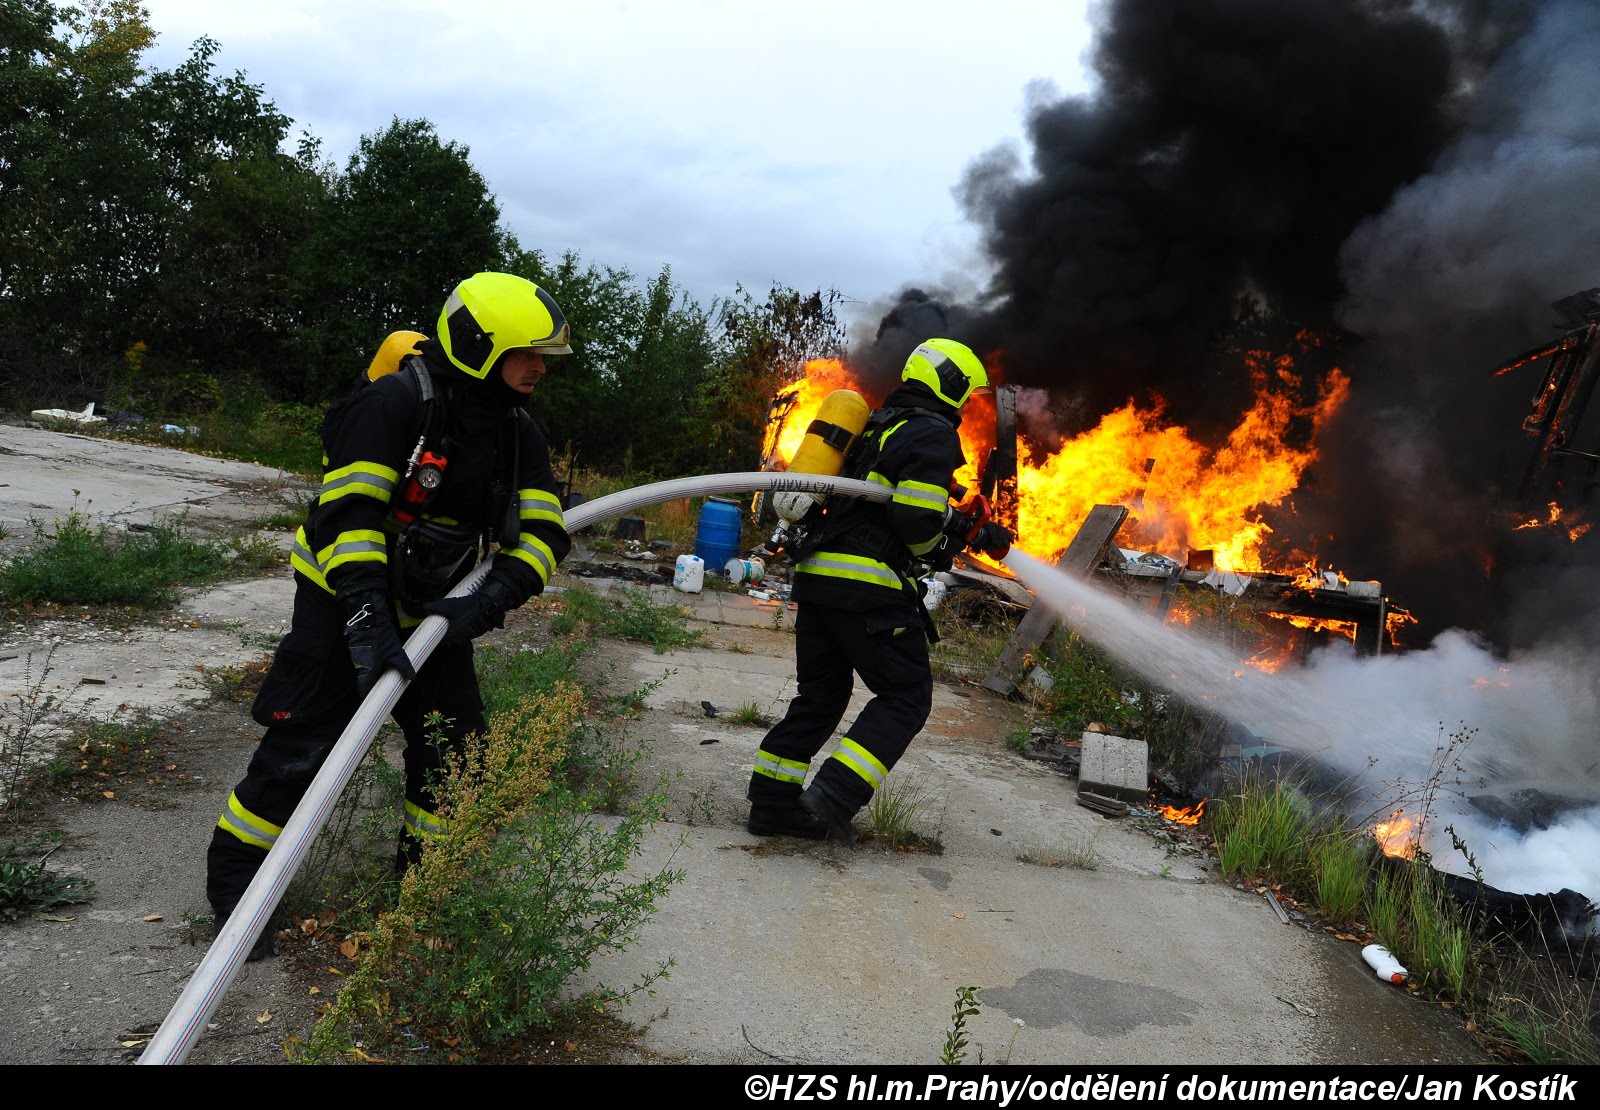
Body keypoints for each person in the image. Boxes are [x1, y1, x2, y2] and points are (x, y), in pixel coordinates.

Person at [206, 271, 574, 958]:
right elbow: (347, 518)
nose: (538, 368)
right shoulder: (393, 405)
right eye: (528, 353)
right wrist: (366, 617)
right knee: (302, 749)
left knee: (454, 755)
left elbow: (549, 532)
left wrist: (488, 603)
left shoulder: (519, 432)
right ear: (478, 345)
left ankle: (421, 895)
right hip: (340, 596)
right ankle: (236, 894)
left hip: (434, 613)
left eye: (544, 357)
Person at [746, 338, 1013, 844]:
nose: (965, 402)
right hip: (868, 584)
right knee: (906, 695)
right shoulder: (933, 434)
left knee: (821, 696)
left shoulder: (875, 426)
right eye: (966, 390)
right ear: (952, 385)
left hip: (820, 577)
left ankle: (772, 804)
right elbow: (915, 521)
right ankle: (833, 798)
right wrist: (941, 542)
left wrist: (962, 526)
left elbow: (892, 503)